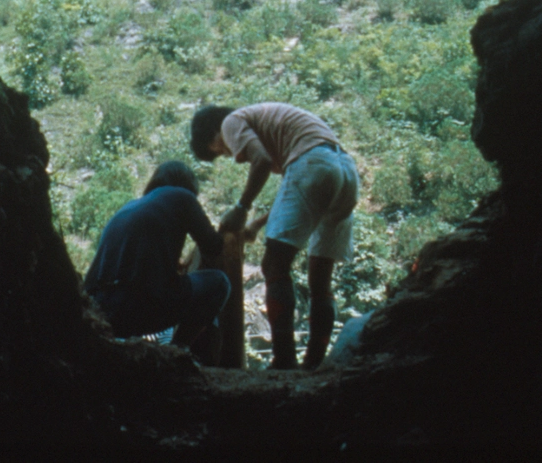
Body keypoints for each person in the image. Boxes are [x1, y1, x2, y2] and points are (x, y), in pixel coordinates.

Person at [191, 103, 359, 369]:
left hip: (314, 164)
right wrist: (257, 224)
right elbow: (300, 185)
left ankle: (284, 360)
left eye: (221, 150)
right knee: (321, 280)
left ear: (214, 132)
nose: (232, 154)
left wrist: (241, 209)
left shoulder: (230, 122)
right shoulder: (277, 126)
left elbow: (262, 161)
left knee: (274, 265)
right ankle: (313, 365)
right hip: (346, 170)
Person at [84, 160, 231, 350]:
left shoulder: (128, 207)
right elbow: (213, 246)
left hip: (99, 309)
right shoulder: (182, 196)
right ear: (189, 186)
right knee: (219, 283)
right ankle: (177, 351)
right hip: (140, 307)